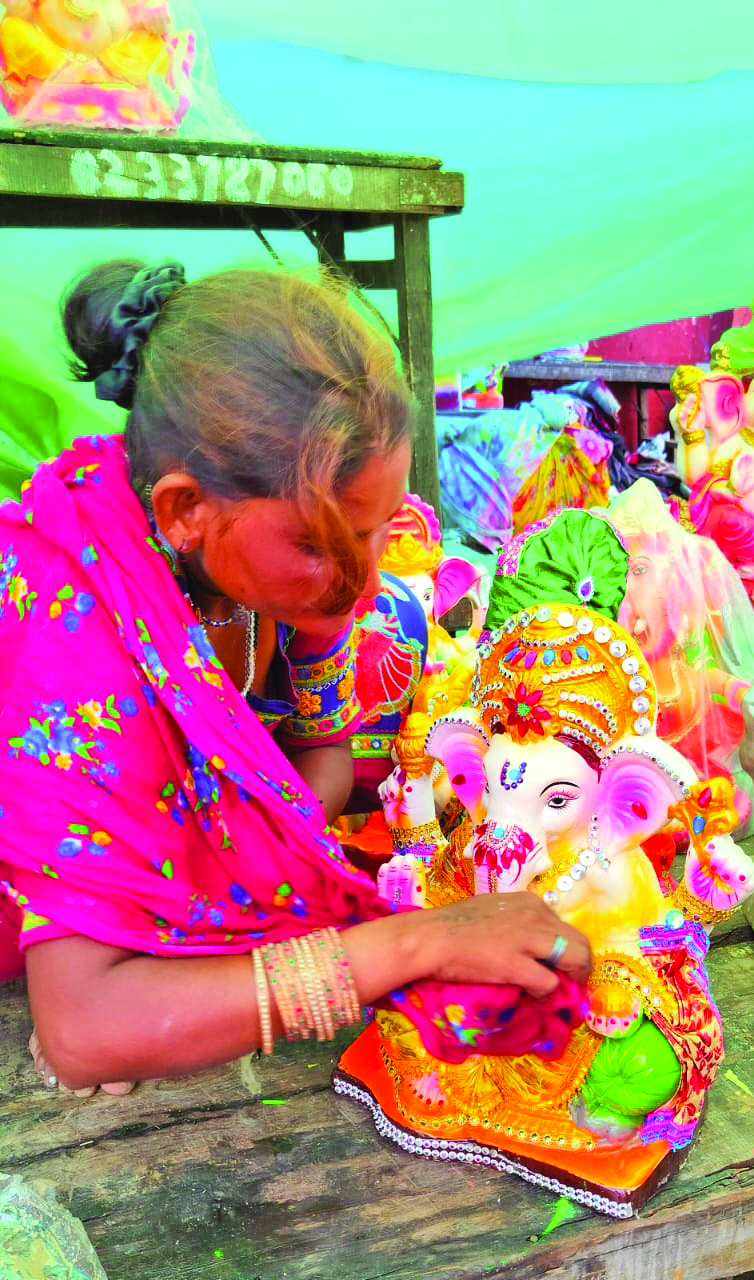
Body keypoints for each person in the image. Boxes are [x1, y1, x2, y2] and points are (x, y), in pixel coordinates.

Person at [0, 259, 589, 1097]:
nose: (363, 578)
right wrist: (421, 944)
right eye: (322, 545)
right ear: (182, 513)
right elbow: (85, 1036)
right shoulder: (80, 632)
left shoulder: (264, 568)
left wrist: (198, 960)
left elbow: (319, 764)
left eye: (382, 528)